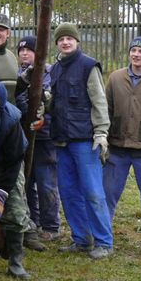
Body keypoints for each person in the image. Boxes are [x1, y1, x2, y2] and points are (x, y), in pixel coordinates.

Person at [0, 15, 44, 255]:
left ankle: (20, 231)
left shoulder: (10, 58)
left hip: (9, 129)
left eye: (1, 29)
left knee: (15, 182)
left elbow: (16, 94)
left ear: (8, 34)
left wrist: (33, 110)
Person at [49, 22, 113, 259]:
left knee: (93, 192)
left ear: (77, 41)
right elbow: (54, 103)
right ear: (57, 43)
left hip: (85, 141)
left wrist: (101, 132)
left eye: (69, 38)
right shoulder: (55, 69)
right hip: (61, 140)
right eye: (61, 39)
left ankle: (104, 242)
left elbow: (99, 101)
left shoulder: (88, 66)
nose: (65, 42)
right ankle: (82, 239)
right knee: (68, 192)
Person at [104, 36, 141, 255]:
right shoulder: (115, 78)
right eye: (133, 50)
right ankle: (101, 237)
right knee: (107, 194)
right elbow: (106, 109)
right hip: (117, 146)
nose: (136, 54)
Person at [15, 35, 61, 241]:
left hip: (44, 136)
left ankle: (50, 225)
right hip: (21, 135)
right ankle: (32, 221)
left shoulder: (48, 73)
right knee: (26, 181)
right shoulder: (18, 74)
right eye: (21, 50)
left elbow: (48, 99)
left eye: (29, 50)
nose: (25, 53)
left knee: (46, 181)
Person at [0, 82, 30, 279]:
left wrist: (1, 194)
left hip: (8, 167)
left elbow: (15, 161)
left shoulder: (10, 121)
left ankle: (15, 262)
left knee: (15, 212)